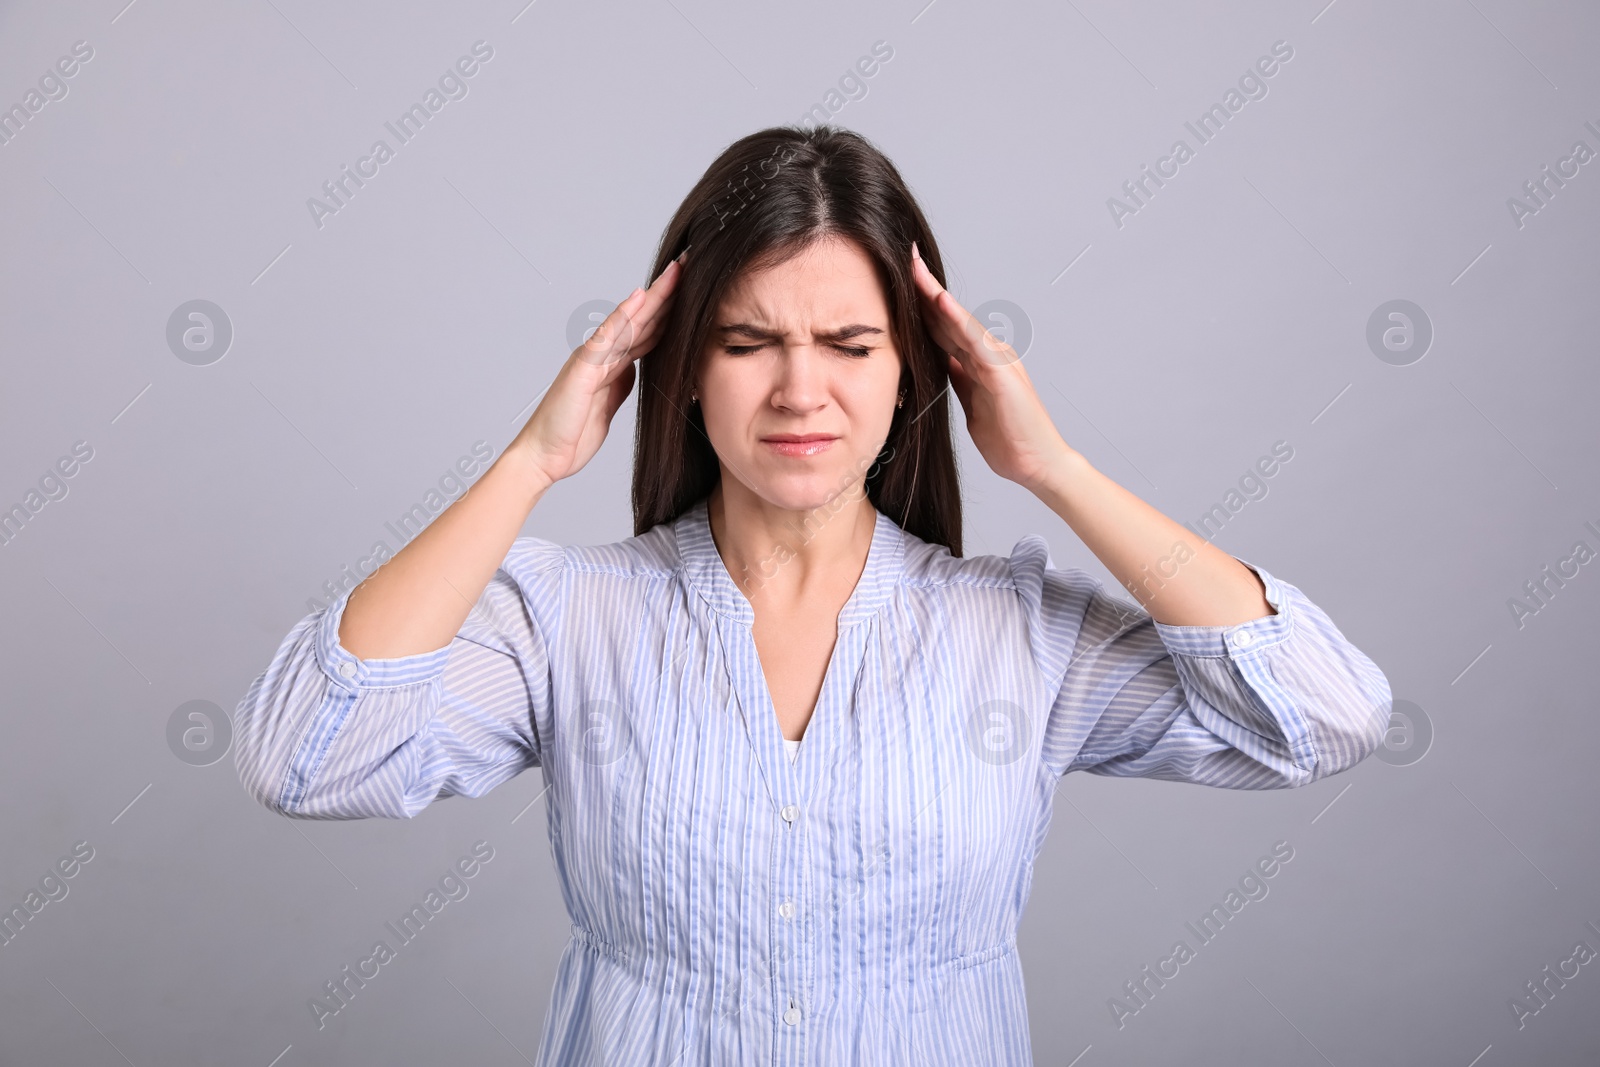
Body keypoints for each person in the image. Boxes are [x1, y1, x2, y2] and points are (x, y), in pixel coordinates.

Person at [233, 125, 1392, 1066]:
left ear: (915, 371)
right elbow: (304, 753)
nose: (800, 389)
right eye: (747, 341)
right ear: (682, 369)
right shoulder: (568, 617)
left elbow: (1324, 716)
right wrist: (530, 460)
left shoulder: (1019, 633)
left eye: (849, 343)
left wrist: (1055, 469)